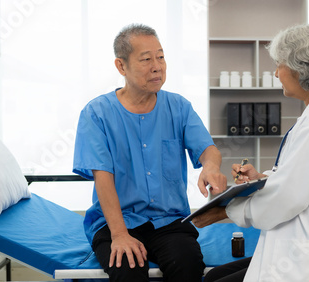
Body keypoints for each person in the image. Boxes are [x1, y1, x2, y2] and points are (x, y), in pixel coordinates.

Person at [192, 24, 309, 281]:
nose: (276, 73)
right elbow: (298, 180)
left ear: (302, 69)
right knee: (214, 278)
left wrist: (223, 212)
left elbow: (285, 199)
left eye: (280, 65)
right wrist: (262, 178)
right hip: (302, 244)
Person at [73, 23, 227, 282]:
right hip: (115, 222)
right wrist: (120, 235)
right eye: (146, 59)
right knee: (127, 271)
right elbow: (103, 178)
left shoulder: (178, 107)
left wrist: (210, 167)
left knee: (187, 265)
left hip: (168, 221)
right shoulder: (97, 113)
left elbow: (207, 149)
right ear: (121, 66)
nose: (157, 66)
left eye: (161, 57)